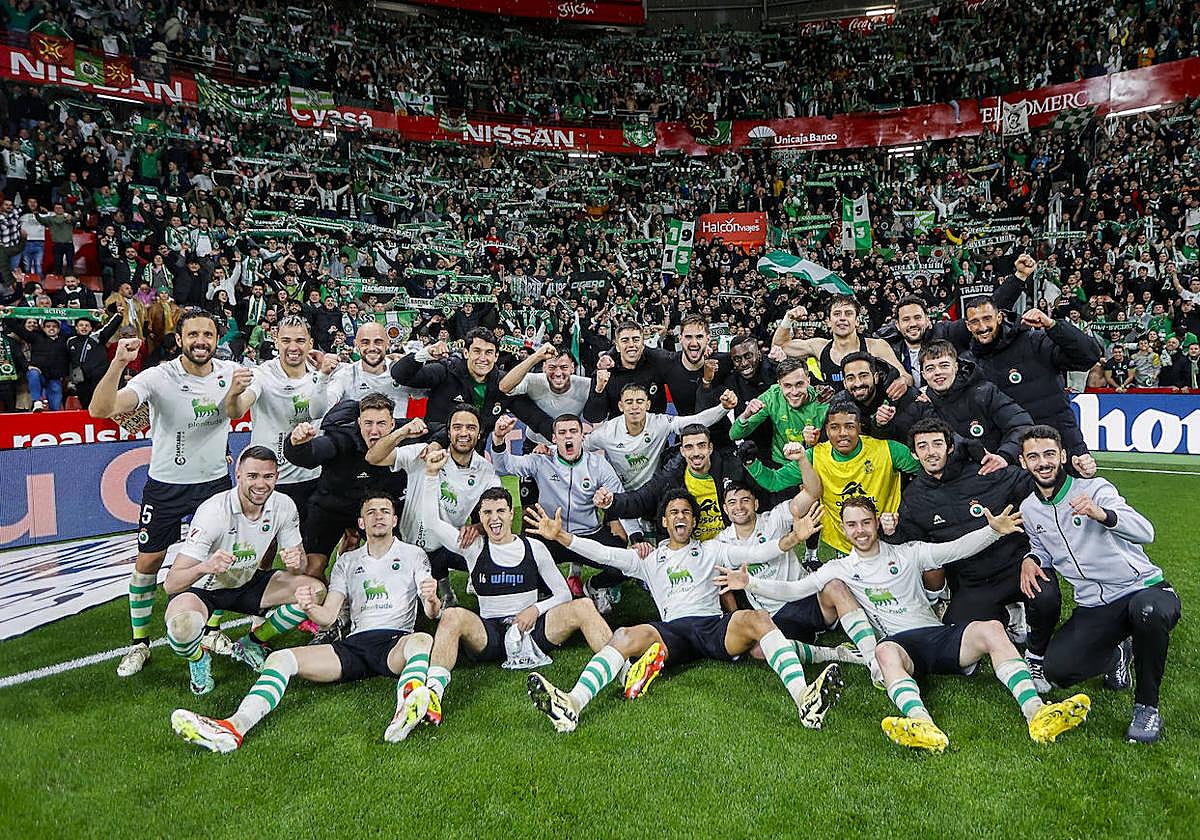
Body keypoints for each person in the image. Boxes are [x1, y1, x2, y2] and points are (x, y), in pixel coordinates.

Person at [715, 495, 1091, 753]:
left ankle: (1036, 712)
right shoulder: (839, 568)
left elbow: (955, 548)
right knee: (882, 650)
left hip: (938, 636)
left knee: (991, 628)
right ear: (842, 530)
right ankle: (922, 725)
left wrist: (992, 530)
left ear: (877, 523)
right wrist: (752, 583)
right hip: (901, 648)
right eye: (851, 525)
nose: (860, 530)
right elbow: (795, 588)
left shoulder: (909, 553)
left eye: (865, 522)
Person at [522, 491, 843, 733]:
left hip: (712, 627)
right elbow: (605, 554)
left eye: (686, 512)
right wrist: (562, 537)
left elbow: (757, 551)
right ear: (664, 521)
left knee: (759, 619)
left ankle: (805, 699)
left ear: (693, 521)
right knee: (623, 635)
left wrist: (792, 538)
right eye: (674, 512)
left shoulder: (712, 549)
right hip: (671, 631)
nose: (680, 517)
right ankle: (572, 704)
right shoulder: (648, 558)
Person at [170, 491, 441, 752]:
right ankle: (233, 727)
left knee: (421, 639)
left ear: (395, 520)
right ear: (361, 522)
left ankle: (408, 703)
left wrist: (431, 601)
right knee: (280, 658)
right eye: (371, 512)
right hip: (353, 647)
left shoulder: (413, 554)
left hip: (394, 644)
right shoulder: (346, 561)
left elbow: (430, 613)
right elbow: (329, 618)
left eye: (385, 512)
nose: (378, 517)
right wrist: (309, 606)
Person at [889, 418, 1099, 688]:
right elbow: (910, 543)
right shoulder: (914, 497)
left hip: (1017, 566)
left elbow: (1038, 481)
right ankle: (1008, 616)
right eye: (923, 446)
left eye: (937, 444)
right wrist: (891, 532)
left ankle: (1035, 654)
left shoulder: (985, 471)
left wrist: (1075, 470)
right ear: (915, 454)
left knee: (1045, 597)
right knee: (957, 638)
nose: (931, 451)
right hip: (973, 582)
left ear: (950, 447)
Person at [89, 310, 239, 677]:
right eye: (193, 335)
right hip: (166, 486)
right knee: (148, 564)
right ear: (180, 340)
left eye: (208, 334)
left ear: (217, 338)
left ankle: (212, 631)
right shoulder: (158, 377)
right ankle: (140, 643)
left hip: (214, 484)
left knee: (219, 561)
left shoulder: (231, 374)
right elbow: (100, 409)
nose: (201, 340)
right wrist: (118, 363)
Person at [418, 451, 615, 724]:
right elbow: (431, 523)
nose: (494, 518)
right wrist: (429, 476)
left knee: (583, 605)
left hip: (533, 630)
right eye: (487, 513)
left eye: (500, 511)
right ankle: (431, 696)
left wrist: (535, 609)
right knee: (452, 615)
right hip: (490, 635)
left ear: (512, 513)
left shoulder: (534, 547)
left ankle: (624, 668)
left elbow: (564, 593)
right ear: (480, 518)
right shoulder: (474, 547)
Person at [1017, 426, 1181, 743]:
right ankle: (1118, 654)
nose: (1043, 462)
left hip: (1142, 588)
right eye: (1034, 456)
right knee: (1058, 671)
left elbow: (1146, 532)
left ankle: (1147, 708)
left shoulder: (1094, 489)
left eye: (1049, 454)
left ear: (1063, 455)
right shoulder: (1029, 508)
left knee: (1147, 612)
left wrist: (1102, 514)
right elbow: (1043, 550)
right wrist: (1031, 559)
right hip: (1094, 605)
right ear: (1024, 463)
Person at [160, 447, 321, 693]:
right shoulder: (213, 512)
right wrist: (205, 566)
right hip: (204, 590)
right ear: (238, 474)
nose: (261, 484)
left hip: (247, 581)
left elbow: (300, 569)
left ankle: (252, 643)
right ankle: (198, 659)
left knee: (315, 591)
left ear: (277, 477)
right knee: (182, 628)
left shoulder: (284, 505)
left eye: (268, 477)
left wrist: (295, 562)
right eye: (253, 476)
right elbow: (171, 584)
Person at [492, 412, 639, 610]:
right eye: (562, 432)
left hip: (588, 535)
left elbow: (621, 502)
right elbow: (504, 466)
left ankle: (593, 587)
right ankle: (547, 594)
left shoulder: (598, 465)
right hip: (551, 535)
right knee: (523, 567)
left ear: (582, 436)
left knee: (625, 565)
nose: (568, 436)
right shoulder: (541, 460)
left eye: (573, 431)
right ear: (554, 438)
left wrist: (636, 538)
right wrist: (499, 439)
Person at [715, 478, 863, 666]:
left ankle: (872, 651)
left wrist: (801, 458)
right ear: (725, 509)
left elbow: (812, 492)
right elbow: (723, 586)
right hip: (776, 614)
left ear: (756, 503)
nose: (739, 506)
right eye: (732, 502)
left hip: (807, 596)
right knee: (759, 651)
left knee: (836, 585)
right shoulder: (722, 543)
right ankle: (832, 653)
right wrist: (737, 618)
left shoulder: (774, 519)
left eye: (745, 500)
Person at [744, 401, 921, 556]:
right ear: (826, 430)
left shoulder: (888, 450)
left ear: (859, 427)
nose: (842, 433)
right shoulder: (814, 456)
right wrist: (751, 463)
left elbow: (926, 470)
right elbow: (774, 481)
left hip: (886, 538)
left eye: (850, 426)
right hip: (842, 545)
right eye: (835, 427)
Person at [366, 403, 502, 604]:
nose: (464, 433)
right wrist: (402, 432)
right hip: (409, 544)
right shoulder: (423, 453)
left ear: (480, 433)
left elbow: (501, 511)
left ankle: (474, 589)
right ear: (448, 432)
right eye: (457, 427)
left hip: (446, 544)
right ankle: (442, 589)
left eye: (471, 428)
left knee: (496, 550)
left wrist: (479, 527)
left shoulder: (485, 470)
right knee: (396, 603)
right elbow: (373, 457)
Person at [283, 392, 413, 580]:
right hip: (330, 507)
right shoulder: (342, 438)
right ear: (359, 423)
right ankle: (327, 602)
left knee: (389, 565)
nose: (374, 431)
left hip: (373, 510)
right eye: (368, 423)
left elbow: (444, 431)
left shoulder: (406, 435)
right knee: (311, 570)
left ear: (393, 424)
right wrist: (296, 443)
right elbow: (310, 454)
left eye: (381, 424)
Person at [223, 316, 336, 524]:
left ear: (310, 343)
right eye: (286, 340)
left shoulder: (323, 374)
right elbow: (237, 411)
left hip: (311, 476)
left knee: (307, 547)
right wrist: (232, 394)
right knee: (263, 550)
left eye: (300, 341)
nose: (293, 347)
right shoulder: (262, 374)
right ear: (276, 341)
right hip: (270, 478)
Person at [960, 297, 1100, 456]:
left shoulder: (1034, 341)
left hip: (1059, 448)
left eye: (987, 318)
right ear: (968, 326)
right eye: (975, 321)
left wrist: (1053, 325)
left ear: (999, 317)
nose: (982, 327)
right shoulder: (968, 364)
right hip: (1013, 456)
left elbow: (1088, 356)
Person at [594, 423, 756, 544]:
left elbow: (757, 494)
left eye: (701, 446)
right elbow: (640, 500)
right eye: (689, 447)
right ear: (682, 451)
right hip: (690, 546)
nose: (696, 453)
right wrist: (612, 502)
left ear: (710, 448)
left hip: (729, 540)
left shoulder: (731, 468)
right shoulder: (670, 477)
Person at [392, 326, 553, 441]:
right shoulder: (446, 371)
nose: (483, 358)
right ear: (466, 353)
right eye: (477, 351)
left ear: (496, 357)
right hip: (434, 453)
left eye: (489, 352)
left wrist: (561, 436)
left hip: (473, 460)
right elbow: (400, 376)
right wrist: (424, 354)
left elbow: (535, 418)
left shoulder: (503, 383)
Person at [585, 381, 736, 492]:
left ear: (648, 405)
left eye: (640, 401)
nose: (634, 407)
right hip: (623, 494)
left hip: (656, 491)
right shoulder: (606, 432)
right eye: (629, 402)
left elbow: (695, 421)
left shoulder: (659, 422)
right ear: (620, 406)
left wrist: (723, 408)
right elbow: (583, 447)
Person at [919, 340, 1033, 464]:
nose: (938, 372)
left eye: (944, 365)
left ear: (956, 367)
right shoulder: (923, 405)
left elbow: (1021, 425)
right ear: (923, 375)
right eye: (930, 368)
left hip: (998, 473)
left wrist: (1004, 456)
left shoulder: (985, 392)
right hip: (955, 479)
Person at [773, 295, 912, 394]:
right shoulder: (819, 347)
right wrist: (788, 319)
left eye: (848, 313)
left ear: (857, 321)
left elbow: (907, 377)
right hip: (836, 419)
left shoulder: (876, 346)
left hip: (872, 417)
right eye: (837, 314)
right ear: (828, 322)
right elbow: (779, 346)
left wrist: (902, 382)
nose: (842, 318)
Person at [728, 356, 828, 466]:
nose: (794, 392)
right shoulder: (772, 397)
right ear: (779, 384)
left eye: (799, 384)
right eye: (787, 386)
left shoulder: (823, 400)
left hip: (814, 463)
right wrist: (746, 415)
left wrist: (813, 443)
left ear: (808, 381)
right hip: (781, 464)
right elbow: (734, 435)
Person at [498, 342, 591, 447]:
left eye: (564, 367)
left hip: (567, 443)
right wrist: (535, 357)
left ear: (572, 368)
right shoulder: (533, 380)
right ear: (544, 367)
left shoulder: (586, 384)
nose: (558, 373)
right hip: (535, 443)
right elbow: (504, 387)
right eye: (552, 367)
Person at [326, 321, 424, 419]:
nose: (372, 348)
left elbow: (431, 392)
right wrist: (323, 376)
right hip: (357, 433)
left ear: (388, 344)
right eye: (365, 342)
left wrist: (427, 358)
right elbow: (319, 411)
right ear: (356, 344)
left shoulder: (403, 372)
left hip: (398, 432)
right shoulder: (345, 374)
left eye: (378, 342)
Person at [839, 351, 929, 442]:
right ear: (845, 383)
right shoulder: (839, 405)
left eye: (863, 376)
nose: (858, 383)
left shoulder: (902, 395)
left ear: (876, 377)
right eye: (850, 378)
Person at [1, 312, 70, 410]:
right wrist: (6, 314)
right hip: (39, 375)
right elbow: (16, 328)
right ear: (43, 328)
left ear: (59, 329)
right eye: (48, 326)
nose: (51, 328)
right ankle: (36, 401)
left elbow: (80, 330)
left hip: (54, 378)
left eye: (54, 326)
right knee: (32, 373)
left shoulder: (65, 340)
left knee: (55, 408)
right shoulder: (36, 337)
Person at [67, 313, 122, 409]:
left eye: (87, 325)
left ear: (91, 328)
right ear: (76, 328)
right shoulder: (71, 341)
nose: (84, 327)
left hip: (97, 377)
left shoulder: (96, 338)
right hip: (80, 377)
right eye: (81, 325)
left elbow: (110, 328)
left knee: (97, 401)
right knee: (85, 403)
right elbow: (69, 359)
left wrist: (119, 315)